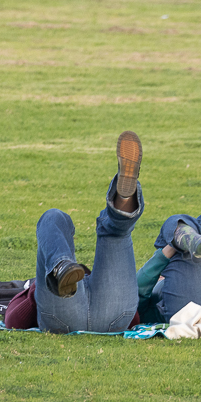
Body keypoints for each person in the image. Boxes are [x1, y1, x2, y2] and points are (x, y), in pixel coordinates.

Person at [20, 131, 145, 333]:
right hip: (115, 317)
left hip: (62, 318)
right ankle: (123, 204)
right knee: (116, 234)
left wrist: (34, 290)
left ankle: (60, 265)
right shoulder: (103, 278)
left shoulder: (34, 285)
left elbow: (14, 319)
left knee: (54, 216)